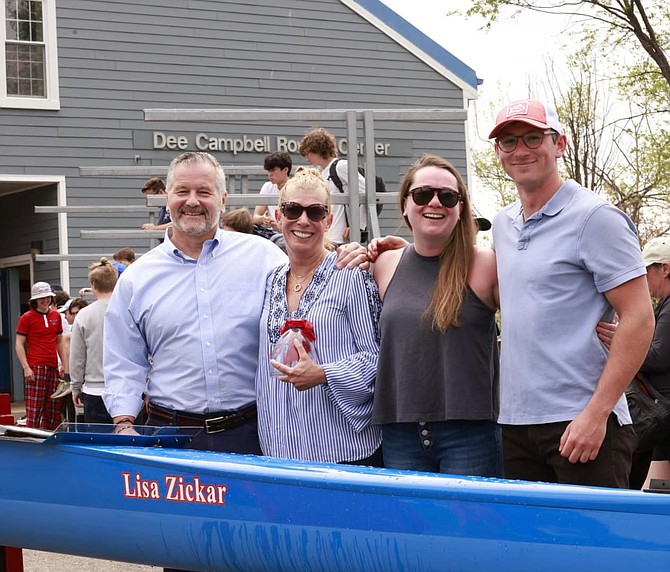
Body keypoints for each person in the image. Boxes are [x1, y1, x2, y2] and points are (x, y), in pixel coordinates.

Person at [489, 98, 654, 487]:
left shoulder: (595, 217)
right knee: (531, 547)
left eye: (533, 137)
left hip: (581, 423)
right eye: (508, 142)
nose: (520, 150)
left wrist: (597, 415)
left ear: (559, 143)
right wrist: (396, 250)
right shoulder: (502, 224)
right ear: (498, 153)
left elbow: (639, 316)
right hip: (516, 423)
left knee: (596, 547)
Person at [103, 151, 289, 456]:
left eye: (204, 192)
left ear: (223, 199)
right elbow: (123, 358)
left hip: (253, 434)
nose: (192, 201)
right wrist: (124, 422)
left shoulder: (264, 258)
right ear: (167, 199)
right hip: (169, 436)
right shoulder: (137, 278)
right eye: (182, 191)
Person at [370, 154, 501, 476]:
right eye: (422, 194)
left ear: (460, 209)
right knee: (413, 527)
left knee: (470, 527)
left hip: (470, 434)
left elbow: (535, 318)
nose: (435, 202)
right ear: (404, 205)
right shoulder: (383, 264)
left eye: (447, 196)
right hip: (400, 431)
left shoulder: (486, 264)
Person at [256, 167, 382, 465]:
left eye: (314, 212)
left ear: (327, 220)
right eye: (292, 210)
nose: (303, 220)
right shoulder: (270, 280)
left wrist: (324, 374)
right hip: (279, 450)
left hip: (341, 451)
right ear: (278, 216)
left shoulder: (351, 275)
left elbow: (376, 359)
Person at [597, 235, 670, 488]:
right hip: (662, 416)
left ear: (665, 269)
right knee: (655, 487)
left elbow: (659, 358)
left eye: (646, 271)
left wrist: (625, 342)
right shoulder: (663, 305)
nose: (644, 280)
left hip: (660, 411)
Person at [15, 282, 70, 429]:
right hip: (35, 367)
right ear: (34, 300)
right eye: (41, 298)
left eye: (48, 297)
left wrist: (65, 365)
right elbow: (19, 344)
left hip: (53, 367)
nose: (45, 300)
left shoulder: (56, 316)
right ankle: (33, 442)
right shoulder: (27, 317)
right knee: (34, 410)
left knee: (54, 409)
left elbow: (60, 343)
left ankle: (50, 441)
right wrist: (26, 367)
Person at [70, 258, 118, 424]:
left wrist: (75, 387)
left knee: (98, 442)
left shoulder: (84, 315)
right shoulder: (129, 310)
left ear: (93, 285)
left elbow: (77, 357)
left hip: (95, 389)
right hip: (127, 389)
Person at [298, 127, 366, 245]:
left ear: (316, 150)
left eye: (307, 153)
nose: (307, 159)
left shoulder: (340, 166)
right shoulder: (324, 171)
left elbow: (366, 194)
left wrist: (358, 227)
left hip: (341, 238)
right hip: (329, 236)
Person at [252, 151, 292, 231]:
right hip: (272, 232)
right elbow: (255, 217)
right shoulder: (267, 186)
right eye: (268, 171)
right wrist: (263, 219)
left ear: (285, 170)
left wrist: (279, 227)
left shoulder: (295, 188)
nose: (270, 174)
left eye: (273, 170)